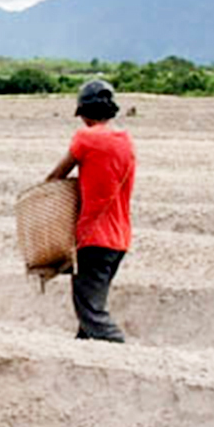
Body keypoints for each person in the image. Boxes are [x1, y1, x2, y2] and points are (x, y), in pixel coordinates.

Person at [45, 78, 136, 342]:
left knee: (91, 311)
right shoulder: (126, 141)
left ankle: (124, 356)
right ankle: (81, 355)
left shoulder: (86, 138)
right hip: (119, 240)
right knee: (91, 306)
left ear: (84, 113)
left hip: (93, 239)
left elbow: (56, 176)